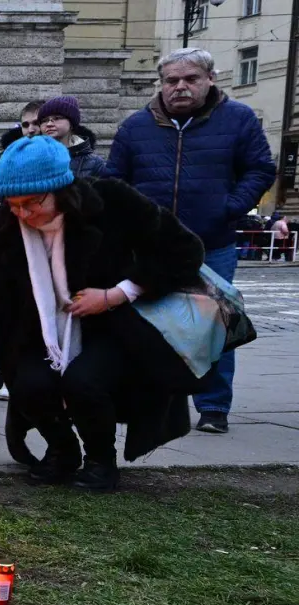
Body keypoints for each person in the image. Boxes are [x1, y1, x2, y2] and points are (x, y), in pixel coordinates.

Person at [0, 136, 207, 490]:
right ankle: (63, 450)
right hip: (35, 332)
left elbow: (184, 249)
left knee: (84, 382)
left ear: (60, 188)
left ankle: (101, 460)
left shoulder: (111, 201)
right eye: (13, 205)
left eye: (32, 203)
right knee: (29, 384)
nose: (23, 214)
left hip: (112, 326)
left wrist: (118, 293)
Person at [105, 46, 276, 435]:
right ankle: (150, 406)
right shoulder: (135, 127)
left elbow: (260, 169)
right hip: (151, 248)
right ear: (161, 84)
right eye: (171, 81)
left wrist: (229, 207)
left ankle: (213, 406)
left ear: (210, 79)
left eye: (190, 79)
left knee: (214, 325)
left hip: (210, 243)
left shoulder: (238, 119)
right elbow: (113, 181)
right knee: (148, 325)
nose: (180, 87)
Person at [36, 97, 105, 179]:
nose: (49, 124)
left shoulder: (95, 163)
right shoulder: (33, 158)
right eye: (44, 120)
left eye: (57, 118)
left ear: (71, 123)